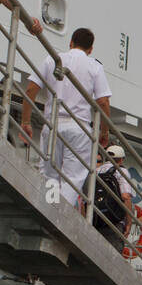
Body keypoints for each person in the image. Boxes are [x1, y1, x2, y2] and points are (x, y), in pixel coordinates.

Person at [20, 27, 111, 210]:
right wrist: (104, 131)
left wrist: (26, 121)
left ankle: (47, 209)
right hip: (79, 127)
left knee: (49, 174)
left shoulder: (52, 60)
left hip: (52, 124)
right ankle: (60, 214)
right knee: (73, 177)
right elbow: (102, 102)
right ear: (91, 49)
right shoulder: (94, 66)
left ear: (70, 43)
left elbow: (31, 89)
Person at [93, 143, 135, 251]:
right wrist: (129, 223)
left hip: (96, 217)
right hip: (114, 221)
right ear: (121, 160)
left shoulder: (96, 171)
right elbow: (126, 197)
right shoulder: (122, 171)